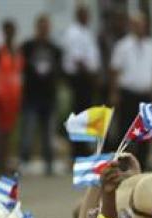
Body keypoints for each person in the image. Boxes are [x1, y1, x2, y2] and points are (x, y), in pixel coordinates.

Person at [110, 12, 152, 167]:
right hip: (128, 94)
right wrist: (114, 93)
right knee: (125, 130)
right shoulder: (123, 46)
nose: (140, 28)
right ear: (131, 26)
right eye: (137, 25)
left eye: (142, 25)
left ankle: (143, 164)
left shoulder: (151, 46)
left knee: (145, 132)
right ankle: (124, 163)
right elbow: (115, 70)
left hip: (145, 94)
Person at [19, 14, 62, 176]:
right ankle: (24, 161)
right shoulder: (28, 47)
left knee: (48, 134)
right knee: (28, 132)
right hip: (31, 96)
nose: (44, 30)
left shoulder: (55, 49)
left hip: (49, 96)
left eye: (46, 27)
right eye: (41, 27)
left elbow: (58, 71)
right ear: (37, 28)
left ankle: (49, 163)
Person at [62, 4, 102, 156]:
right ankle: (77, 151)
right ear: (78, 15)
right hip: (80, 79)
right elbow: (78, 59)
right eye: (83, 14)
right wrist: (92, 77)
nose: (87, 17)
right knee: (78, 116)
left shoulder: (87, 32)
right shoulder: (73, 33)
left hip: (88, 79)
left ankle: (84, 149)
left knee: (87, 117)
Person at [0, 19, 23, 175]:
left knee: (9, 131)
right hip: (2, 95)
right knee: (1, 131)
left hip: (14, 95)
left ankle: (6, 160)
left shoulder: (17, 51)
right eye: (7, 31)